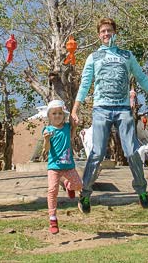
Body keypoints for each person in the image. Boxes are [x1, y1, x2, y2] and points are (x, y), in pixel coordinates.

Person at [71, 17, 148, 214]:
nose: (106, 34)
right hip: (101, 109)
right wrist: (75, 109)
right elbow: (85, 84)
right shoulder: (93, 57)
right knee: (97, 153)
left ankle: (142, 190)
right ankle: (85, 194)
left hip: (123, 109)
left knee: (132, 151)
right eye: (103, 31)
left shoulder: (126, 56)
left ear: (115, 32)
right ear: (99, 35)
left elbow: (141, 77)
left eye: (109, 30)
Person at [41, 99, 82, 234]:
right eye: (54, 113)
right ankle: (53, 218)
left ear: (63, 115)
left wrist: (75, 126)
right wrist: (46, 140)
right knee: (52, 191)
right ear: (49, 116)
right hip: (54, 167)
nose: (57, 116)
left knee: (78, 185)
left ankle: (68, 186)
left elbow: (71, 137)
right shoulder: (48, 130)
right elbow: (46, 150)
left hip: (68, 165)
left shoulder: (66, 127)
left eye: (60, 113)